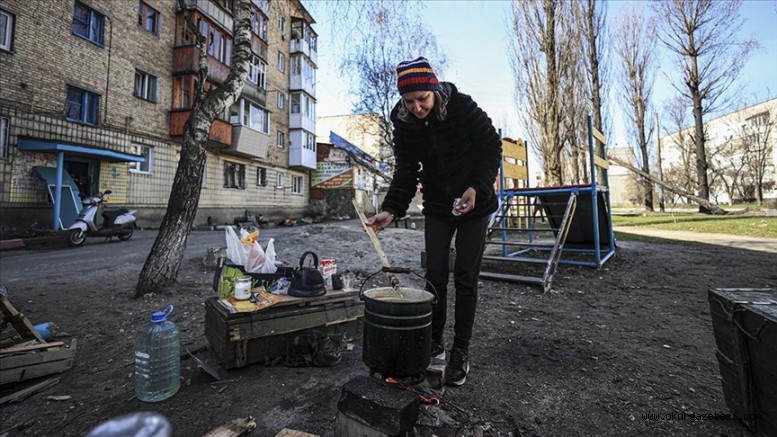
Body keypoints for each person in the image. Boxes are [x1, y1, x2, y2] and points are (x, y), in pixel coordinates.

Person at [365, 57, 501, 386]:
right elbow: (406, 172)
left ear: (434, 90)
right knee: (435, 276)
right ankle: (435, 341)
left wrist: (475, 187)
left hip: (475, 201)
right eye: (409, 102)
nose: (417, 108)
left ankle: (460, 351)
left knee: (466, 276)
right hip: (439, 205)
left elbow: (491, 146)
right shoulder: (405, 123)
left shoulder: (462, 107)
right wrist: (392, 209)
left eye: (422, 99)